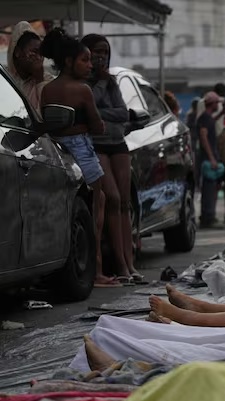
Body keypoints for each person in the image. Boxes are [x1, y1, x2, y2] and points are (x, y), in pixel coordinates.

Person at [40, 28, 121, 288]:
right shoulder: (82, 90)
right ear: (68, 62)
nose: (90, 65)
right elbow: (98, 126)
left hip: (57, 150)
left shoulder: (47, 89)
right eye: (84, 60)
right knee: (96, 210)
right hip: (83, 150)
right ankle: (96, 271)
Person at [81, 33, 141, 283]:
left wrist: (107, 110)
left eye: (105, 51)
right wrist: (101, 89)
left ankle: (130, 264)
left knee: (125, 202)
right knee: (113, 199)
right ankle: (119, 265)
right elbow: (89, 109)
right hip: (97, 144)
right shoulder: (83, 81)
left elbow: (122, 113)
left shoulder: (113, 81)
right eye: (96, 51)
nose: (101, 56)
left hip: (118, 143)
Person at [7, 21, 52, 114]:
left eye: (41, 53)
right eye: (34, 52)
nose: (39, 58)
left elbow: (45, 115)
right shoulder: (5, 81)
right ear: (17, 52)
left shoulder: (49, 81)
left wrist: (40, 80)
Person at [197, 91, 223, 228]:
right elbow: (204, 137)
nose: (218, 105)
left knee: (212, 188)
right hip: (208, 159)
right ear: (212, 104)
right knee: (208, 189)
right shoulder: (205, 119)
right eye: (217, 103)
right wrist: (212, 158)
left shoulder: (208, 118)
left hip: (210, 157)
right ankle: (208, 217)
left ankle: (208, 216)